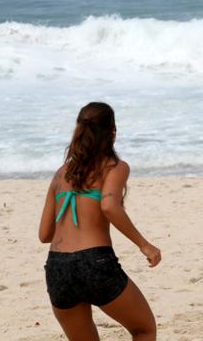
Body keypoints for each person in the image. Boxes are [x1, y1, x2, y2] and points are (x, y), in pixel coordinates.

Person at [38, 102, 161, 340]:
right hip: (94, 262)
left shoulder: (61, 174)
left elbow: (44, 235)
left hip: (57, 268)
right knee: (144, 329)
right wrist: (144, 244)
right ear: (112, 133)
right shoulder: (115, 167)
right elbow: (108, 206)